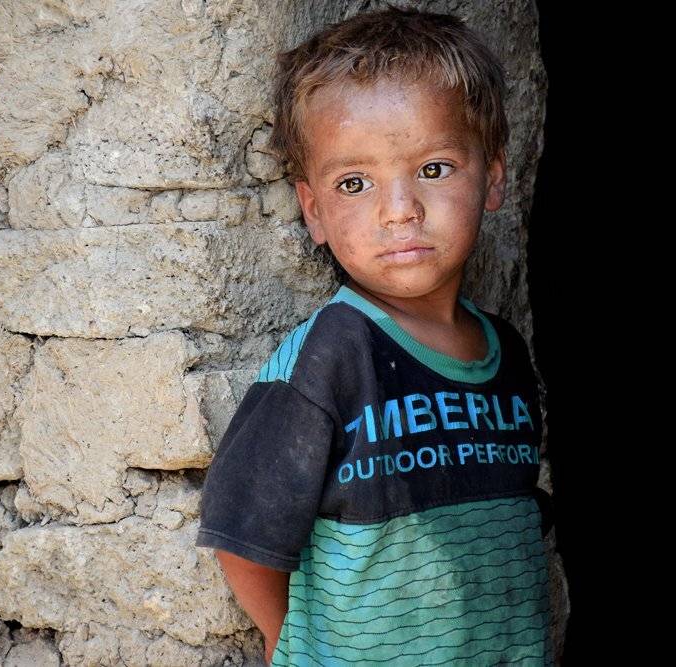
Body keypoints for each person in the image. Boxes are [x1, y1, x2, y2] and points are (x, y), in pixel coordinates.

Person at [195, 6, 555, 666]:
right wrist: (296, 646)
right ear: (315, 211)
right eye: (354, 183)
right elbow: (242, 537)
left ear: (496, 177)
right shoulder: (333, 352)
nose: (400, 210)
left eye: (436, 168)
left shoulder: (507, 353)